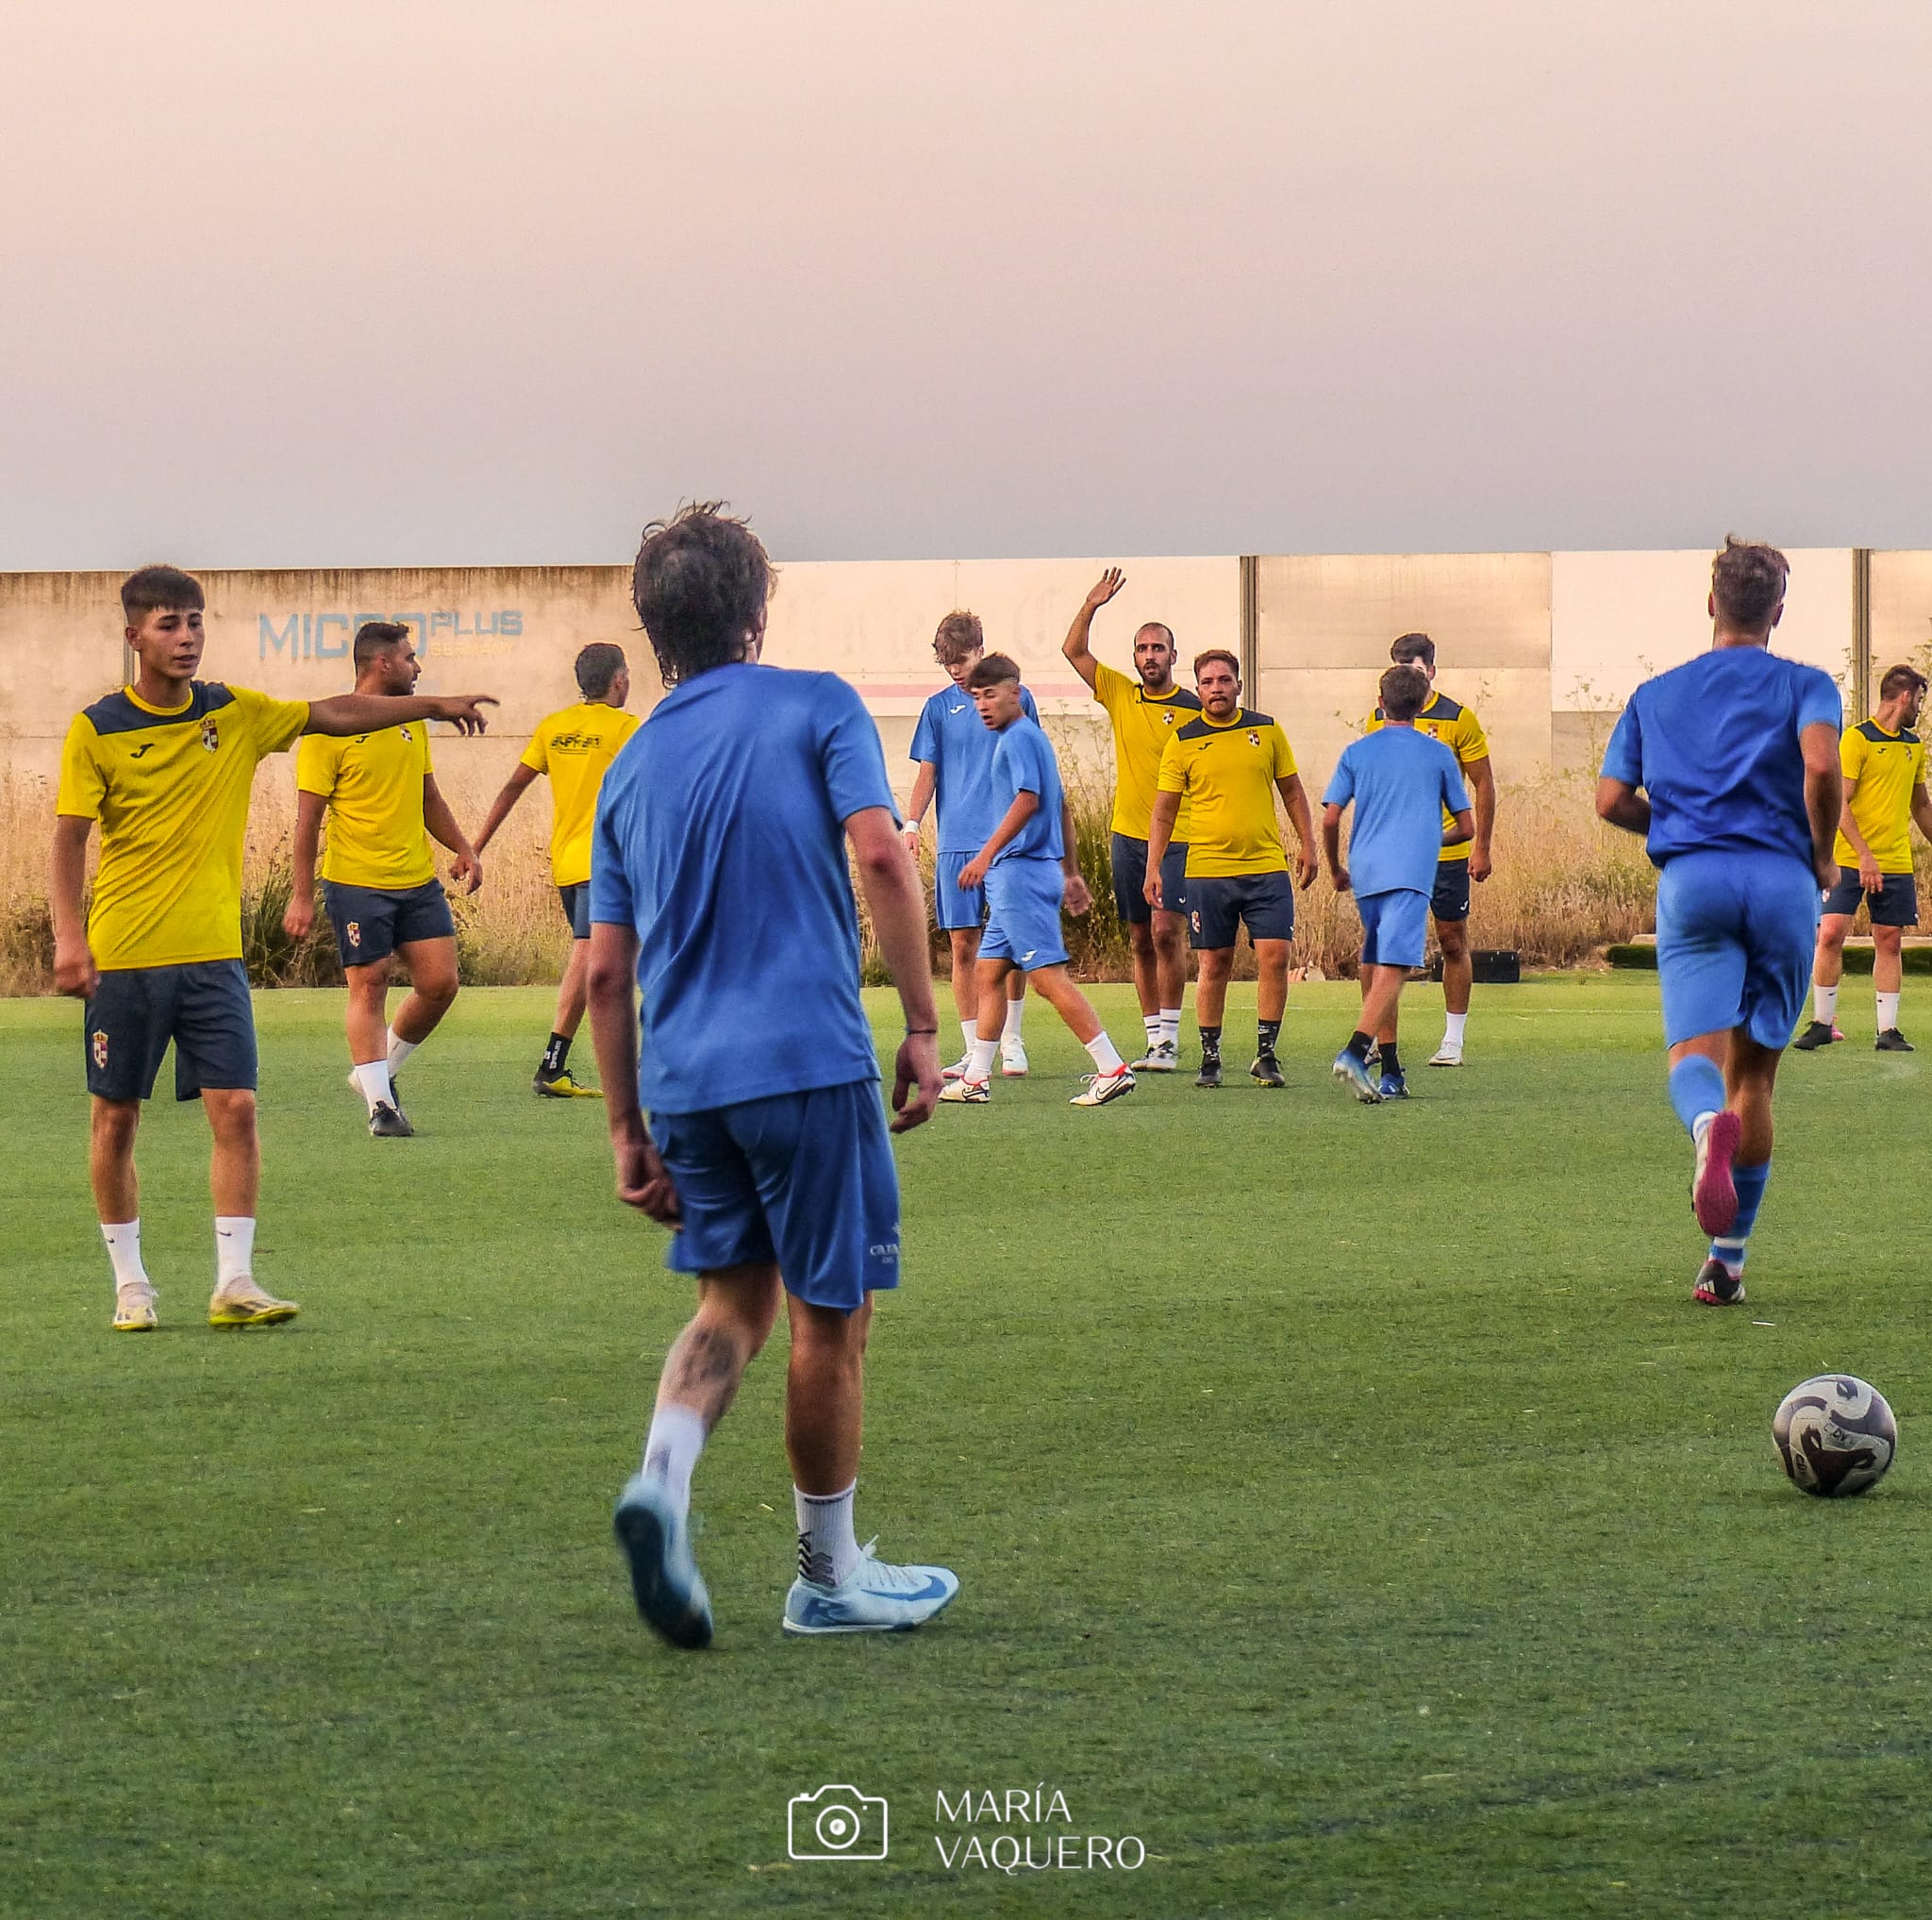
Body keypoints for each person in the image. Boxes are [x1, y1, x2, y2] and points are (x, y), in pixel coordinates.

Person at [591, 504, 957, 1648]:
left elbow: (606, 974)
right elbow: (885, 852)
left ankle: (661, 1477)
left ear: (654, 628)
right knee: (829, 1321)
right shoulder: (816, 702)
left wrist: (624, 1129)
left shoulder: (628, 765)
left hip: (688, 1079)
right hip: (804, 1059)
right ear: (756, 612)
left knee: (730, 1304)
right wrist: (920, 1019)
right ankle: (826, 1574)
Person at [51, 566, 494, 1333]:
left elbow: (333, 711)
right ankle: (131, 1284)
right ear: (134, 637)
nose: (186, 636)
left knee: (238, 1110)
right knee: (116, 1119)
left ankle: (235, 1281)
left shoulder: (235, 711)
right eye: (167, 624)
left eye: (194, 621)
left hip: (215, 959)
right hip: (123, 957)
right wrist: (69, 936)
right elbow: (67, 840)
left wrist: (434, 702)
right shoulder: (97, 728)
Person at [1595, 538, 1842, 1307]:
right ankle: (1727, 1263)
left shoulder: (1656, 693)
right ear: (1778, 610)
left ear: (1711, 604)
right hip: (1782, 883)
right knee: (1757, 1075)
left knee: (1692, 1058)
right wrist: (1824, 855)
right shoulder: (1808, 684)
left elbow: (1608, 799)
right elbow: (1824, 766)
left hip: (1695, 879)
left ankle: (1704, 1124)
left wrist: (1671, 822)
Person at [285, 622, 484, 1138]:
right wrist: (301, 896)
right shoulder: (329, 729)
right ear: (382, 664)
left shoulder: (412, 722)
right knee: (369, 985)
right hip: (356, 882)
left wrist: (462, 848)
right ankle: (381, 1107)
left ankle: (376, 1074)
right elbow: (307, 823)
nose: (418, 668)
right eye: (411, 658)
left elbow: (428, 798)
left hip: (415, 880)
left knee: (440, 984)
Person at [936, 654, 1133, 1107]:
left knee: (1045, 977)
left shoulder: (1018, 739)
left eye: (990, 695)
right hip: (1031, 871)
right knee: (988, 973)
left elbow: (1029, 800)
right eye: (977, 697)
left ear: (1015, 693)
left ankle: (1111, 1066)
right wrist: (1071, 873)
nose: (983, 705)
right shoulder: (1032, 738)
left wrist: (985, 856)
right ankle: (976, 1078)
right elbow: (1059, 805)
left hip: (1018, 874)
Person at [471, 643, 641, 1095]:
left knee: (613, 959)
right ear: (619, 680)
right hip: (606, 863)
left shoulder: (554, 727)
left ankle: (620, 1059)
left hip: (567, 864)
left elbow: (512, 786)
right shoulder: (627, 729)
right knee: (592, 958)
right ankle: (553, 1064)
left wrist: (475, 847)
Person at [1145, 651, 1317, 1089]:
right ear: (1198, 689)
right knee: (1214, 963)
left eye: (1225, 680)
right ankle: (1210, 1056)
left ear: (1238, 686)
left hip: (1265, 867)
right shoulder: (1182, 740)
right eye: (1207, 681)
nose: (1216, 688)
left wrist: (1308, 844)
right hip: (1206, 871)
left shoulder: (1266, 729)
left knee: (1275, 957)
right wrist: (1154, 867)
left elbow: (1293, 791)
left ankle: (1265, 1053)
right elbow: (1164, 812)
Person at [1061, 568, 1201, 1071]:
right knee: (1140, 936)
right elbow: (1073, 650)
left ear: (1172, 656)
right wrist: (1091, 603)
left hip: (1181, 839)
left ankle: (1169, 1036)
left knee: (1167, 932)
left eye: (1157, 648)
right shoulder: (1121, 692)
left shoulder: (1194, 708)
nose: (1149, 657)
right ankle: (1152, 1039)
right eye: (1142, 649)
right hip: (1128, 836)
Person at [1323, 665, 1474, 1102]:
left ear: (1380, 701)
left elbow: (1330, 817)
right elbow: (1467, 827)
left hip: (1366, 869)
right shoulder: (1439, 753)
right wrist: (1430, 839)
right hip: (1410, 870)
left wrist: (1336, 867)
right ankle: (1355, 1051)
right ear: (1424, 702)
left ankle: (1390, 1071)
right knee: (1396, 966)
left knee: (1376, 962)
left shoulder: (1357, 751)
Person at [903, 611, 1031, 1078]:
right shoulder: (937, 708)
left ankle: (1012, 1040)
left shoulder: (1018, 698)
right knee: (962, 947)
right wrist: (912, 824)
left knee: (1012, 941)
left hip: (1006, 843)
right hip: (956, 844)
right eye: (946, 662)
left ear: (980, 649)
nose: (955, 670)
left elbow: (1031, 766)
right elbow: (928, 772)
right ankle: (974, 1048)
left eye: (961, 659)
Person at [1362, 633, 1496, 1065]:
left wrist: (1482, 847)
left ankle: (1453, 1039)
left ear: (1432, 671)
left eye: (1416, 670)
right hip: (1394, 858)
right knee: (1383, 947)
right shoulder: (1377, 718)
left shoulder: (1458, 718)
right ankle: (1377, 1044)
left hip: (1445, 854)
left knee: (1451, 940)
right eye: (1401, 669)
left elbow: (1484, 784)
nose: (1409, 678)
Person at [1792, 662, 1931, 1054]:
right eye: (1920, 699)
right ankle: (1822, 1023)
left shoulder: (1914, 746)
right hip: (1850, 859)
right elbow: (1839, 804)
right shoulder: (1855, 740)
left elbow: (1920, 804)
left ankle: (1888, 1032)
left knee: (1889, 940)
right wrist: (1865, 856)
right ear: (1904, 696)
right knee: (1831, 933)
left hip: (1896, 861)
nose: (1921, 708)